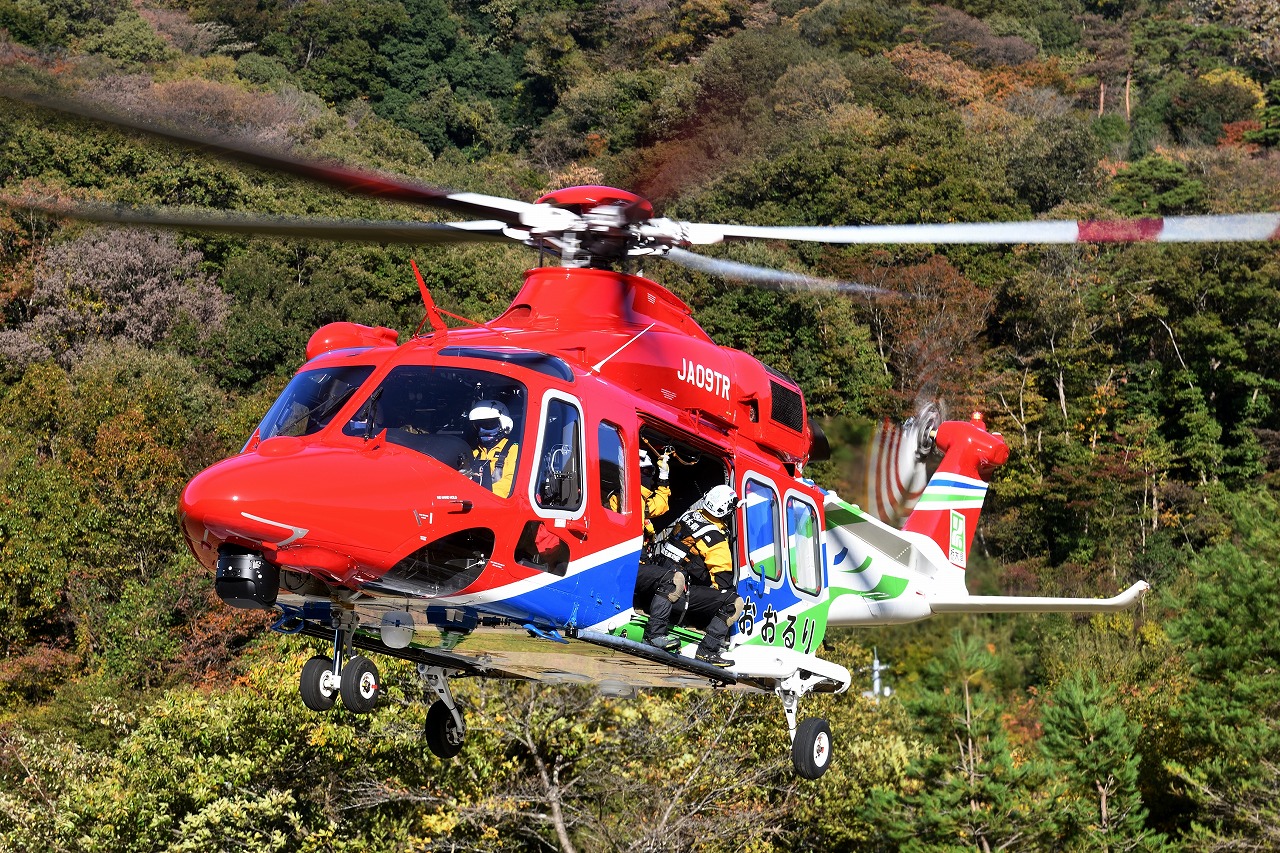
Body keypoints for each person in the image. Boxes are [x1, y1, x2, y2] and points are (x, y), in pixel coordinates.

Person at [641, 483, 743, 667]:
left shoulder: (689, 516)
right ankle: (707, 651)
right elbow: (723, 583)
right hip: (678, 596)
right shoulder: (716, 539)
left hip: (655, 584)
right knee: (733, 602)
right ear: (727, 511)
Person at [463, 399, 518, 498]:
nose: (482, 430)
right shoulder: (473, 452)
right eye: (479, 425)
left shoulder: (514, 450)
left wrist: (481, 495)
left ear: (504, 425)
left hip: (496, 503)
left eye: (489, 424)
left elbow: (511, 483)